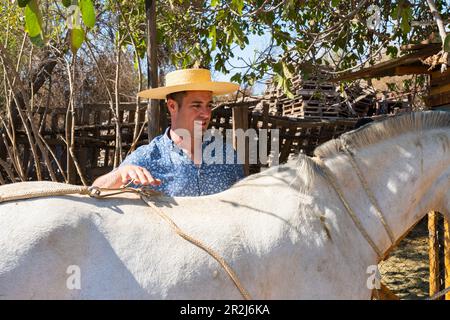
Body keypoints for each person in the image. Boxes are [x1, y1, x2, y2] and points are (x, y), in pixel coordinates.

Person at [92, 68, 245, 196]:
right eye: (196, 106)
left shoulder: (226, 154)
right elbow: (96, 190)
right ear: (172, 106)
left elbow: (245, 198)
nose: (206, 113)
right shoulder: (147, 157)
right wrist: (121, 174)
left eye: (208, 105)